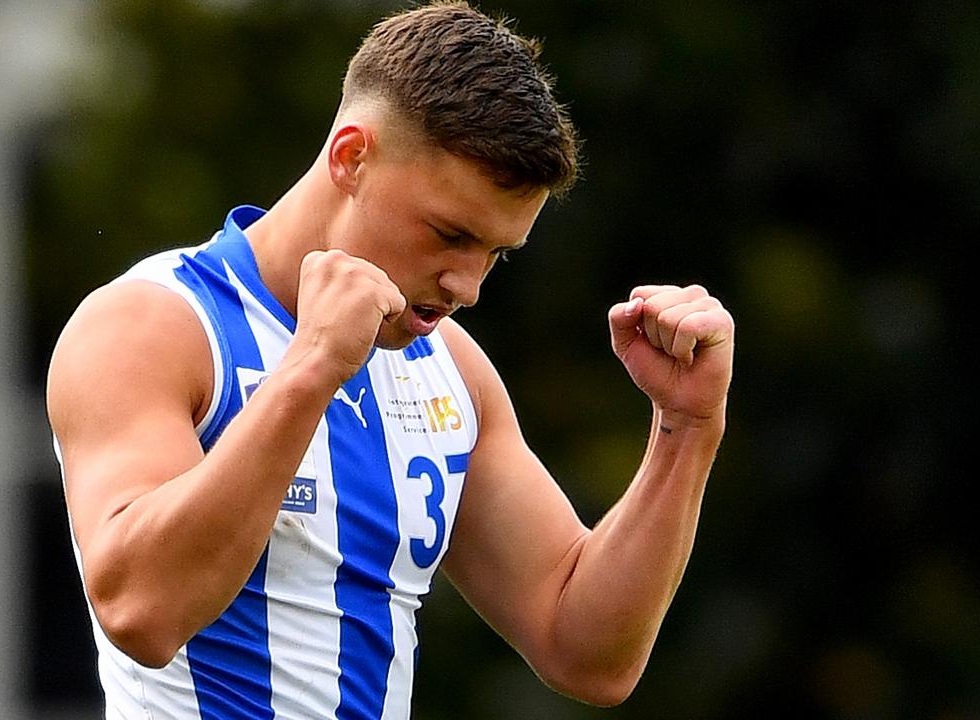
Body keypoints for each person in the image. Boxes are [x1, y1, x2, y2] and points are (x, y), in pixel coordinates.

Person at [46, 2, 735, 718]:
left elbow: (585, 651)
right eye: (449, 234)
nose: (466, 286)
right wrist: (311, 368)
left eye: (494, 254)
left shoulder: (450, 369)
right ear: (351, 156)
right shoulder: (151, 323)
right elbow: (140, 612)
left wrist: (685, 428)